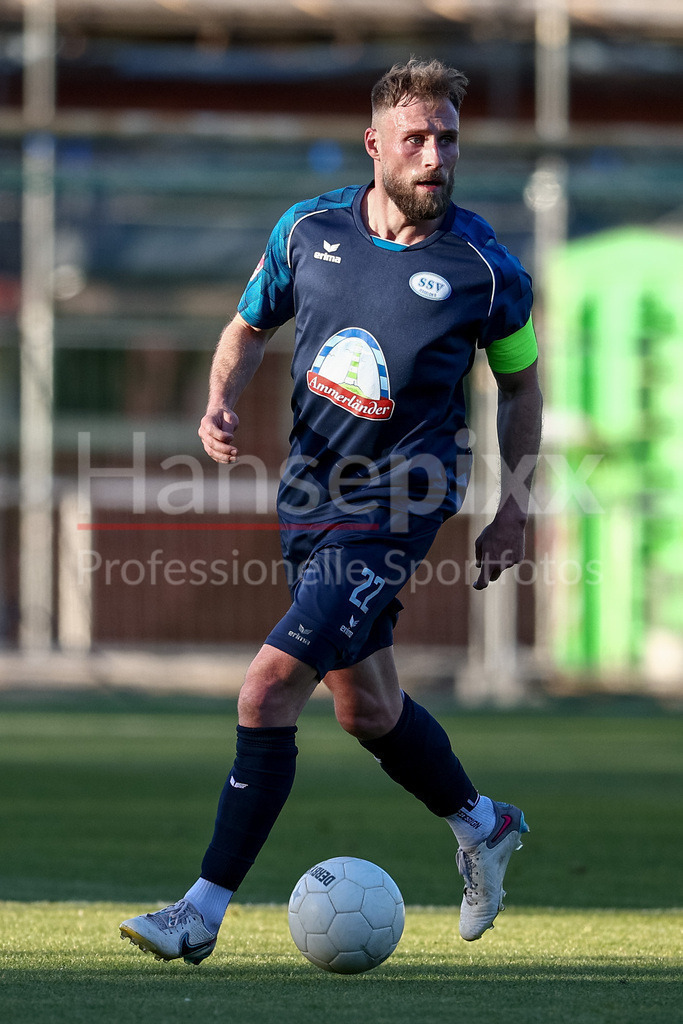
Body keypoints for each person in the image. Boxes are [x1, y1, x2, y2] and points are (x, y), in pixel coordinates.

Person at [120, 58, 543, 965]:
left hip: (402, 502)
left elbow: (520, 389)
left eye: (449, 140)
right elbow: (247, 327)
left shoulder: (485, 267)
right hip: (308, 500)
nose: (436, 157)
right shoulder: (306, 231)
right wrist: (219, 399)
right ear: (375, 147)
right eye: (418, 140)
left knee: (267, 689)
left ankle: (200, 911)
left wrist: (515, 504)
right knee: (366, 708)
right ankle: (483, 822)